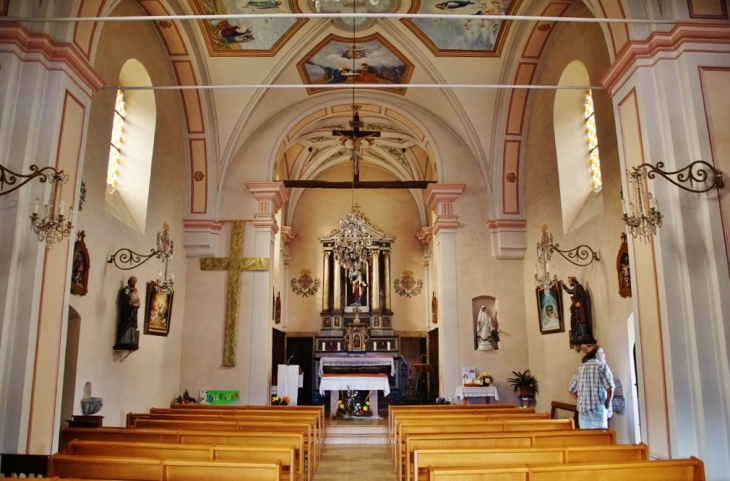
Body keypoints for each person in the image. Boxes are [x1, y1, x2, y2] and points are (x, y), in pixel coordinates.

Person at [568, 345, 615, 429]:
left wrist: (579, 401)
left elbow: (570, 389)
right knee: (600, 438)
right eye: (602, 353)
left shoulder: (580, 368)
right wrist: (607, 403)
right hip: (598, 410)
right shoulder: (602, 367)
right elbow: (610, 388)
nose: (604, 355)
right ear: (597, 355)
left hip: (583, 412)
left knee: (587, 439)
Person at [563, 276, 595, 343]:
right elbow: (569, 291)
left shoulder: (579, 287)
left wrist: (579, 302)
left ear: (573, 281)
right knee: (577, 321)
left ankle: (585, 335)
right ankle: (579, 334)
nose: (569, 283)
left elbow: (583, 296)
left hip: (580, 308)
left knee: (582, 320)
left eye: (569, 281)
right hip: (576, 308)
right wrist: (564, 286)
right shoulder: (574, 289)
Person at [115, 276, 140, 348]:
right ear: (129, 281)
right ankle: (124, 341)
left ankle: (131, 341)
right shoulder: (126, 290)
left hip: (132, 312)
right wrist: (131, 302)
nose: (134, 283)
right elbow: (125, 301)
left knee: (132, 326)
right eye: (133, 282)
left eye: (135, 282)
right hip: (127, 313)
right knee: (126, 326)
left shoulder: (134, 291)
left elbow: (137, 301)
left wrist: (137, 302)